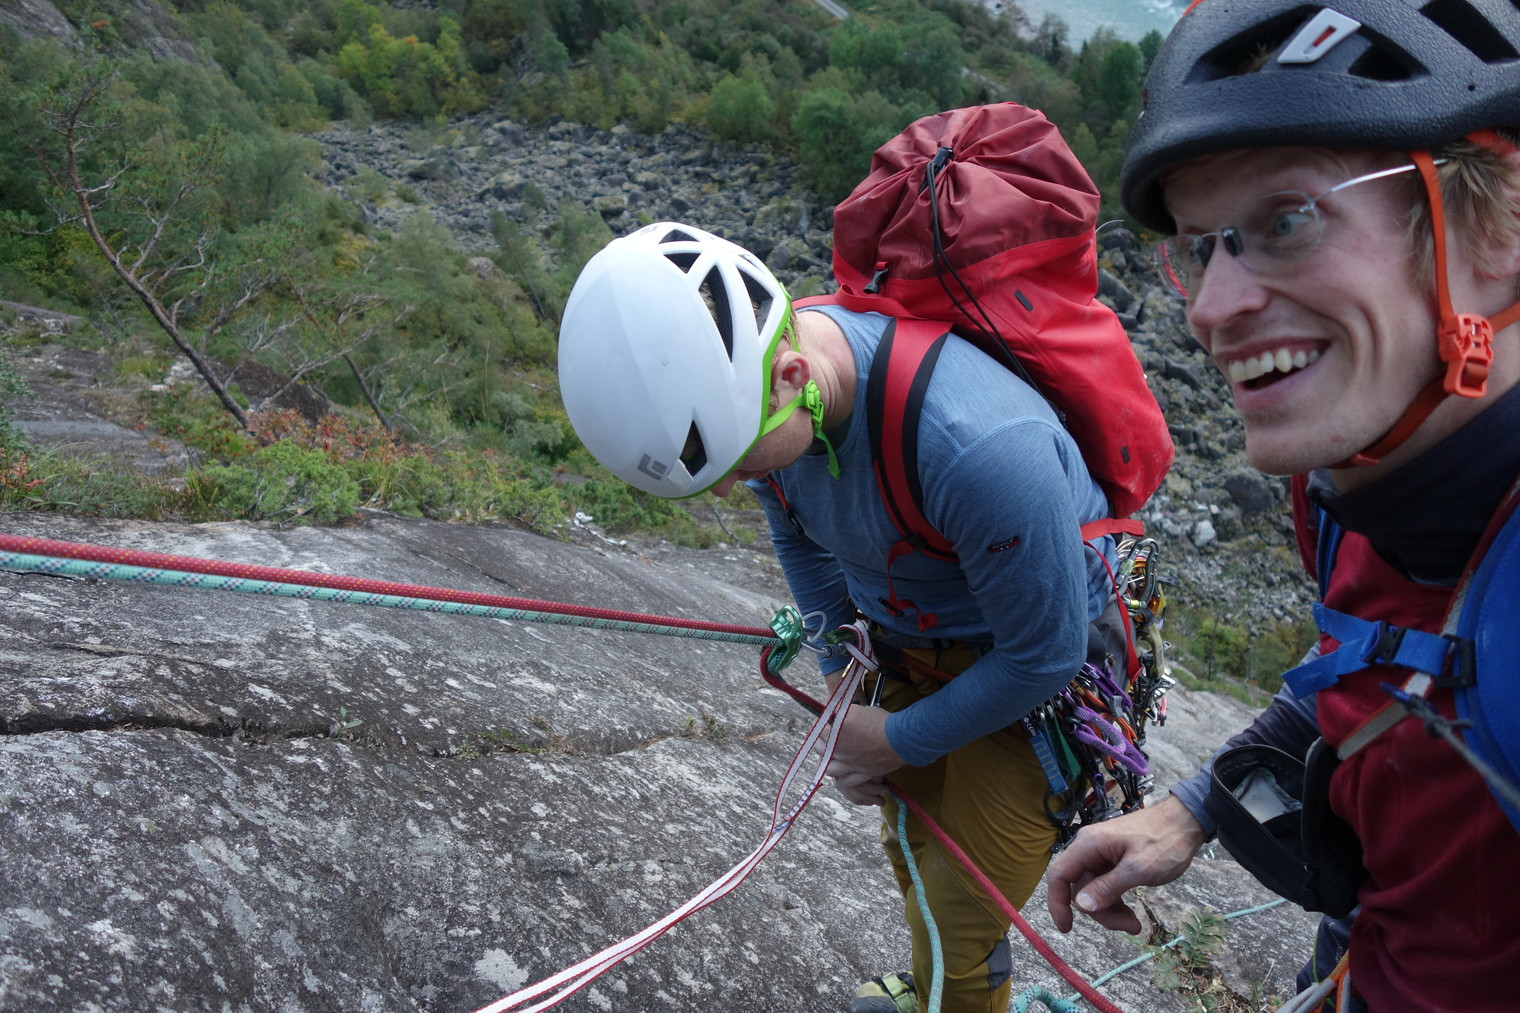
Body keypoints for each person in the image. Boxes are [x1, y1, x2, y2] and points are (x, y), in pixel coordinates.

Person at [1044, 2, 1520, 1010]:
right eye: (1199, 247)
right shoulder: (1346, 486)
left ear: (1498, 225)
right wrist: (1195, 808)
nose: (1209, 309)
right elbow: (1377, 666)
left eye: (1286, 219)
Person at [557, 221, 1123, 1013]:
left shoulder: (981, 449)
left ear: (792, 375)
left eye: (736, 465)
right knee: (911, 839)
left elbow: (1046, 653)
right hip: (908, 640)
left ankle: (954, 994)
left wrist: (893, 737)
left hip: (1040, 684)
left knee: (962, 910)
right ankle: (933, 991)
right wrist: (839, 689)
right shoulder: (769, 399)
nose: (735, 488)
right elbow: (799, 536)